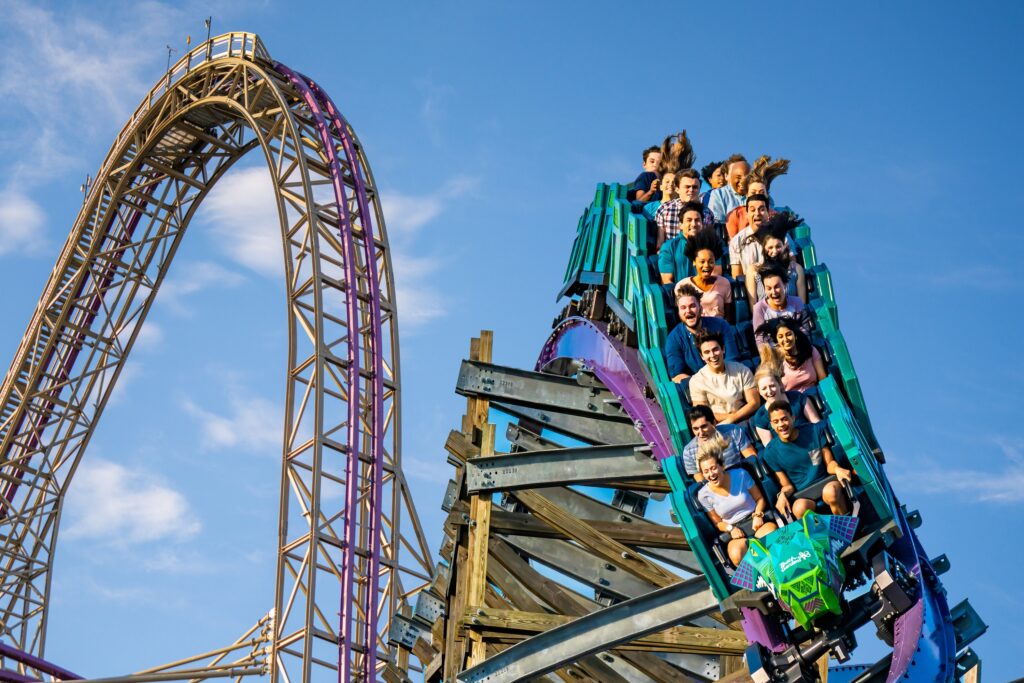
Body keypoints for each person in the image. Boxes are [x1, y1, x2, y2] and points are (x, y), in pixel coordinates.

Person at [762, 401, 851, 519]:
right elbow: (787, 485)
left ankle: (845, 530)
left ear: (793, 418)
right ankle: (823, 536)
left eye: (784, 419)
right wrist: (782, 494)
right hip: (803, 495)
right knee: (799, 508)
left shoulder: (813, 431)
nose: (781, 424)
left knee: (831, 492)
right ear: (772, 425)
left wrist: (837, 469)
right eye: (776, 422)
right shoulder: (770, 453)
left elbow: (829, 463)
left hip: (826, 482)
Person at [695, 442, 777, 566]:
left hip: (756, 520)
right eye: (706, 471)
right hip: (734, 530)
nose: (711, 474)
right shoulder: (703, 495)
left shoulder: (740, 474)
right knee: (736, 555)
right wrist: (731, 528)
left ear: (722, 466)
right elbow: (718, 523)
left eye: (713, 468)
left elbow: (760, 499)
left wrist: (758, 515)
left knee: (771, 538)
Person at [664, 285, 742, 380]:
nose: (688, 311)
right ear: (678, 312)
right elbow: (677, 376)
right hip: (699, 388)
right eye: (683, 308)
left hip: (728, 378)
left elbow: (732, 359)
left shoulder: (721, 325)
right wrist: (705, 385)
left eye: (692, 306)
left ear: (700, 308)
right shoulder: (674, 339)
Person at [688, 330, 758, 424]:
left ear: (723, 349)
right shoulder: (696, 381)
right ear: (702, 356)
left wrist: (733, 418)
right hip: (719, 426)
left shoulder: (741, 370)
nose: (712, 355)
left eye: (715, 349)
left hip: (747, 420)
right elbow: (702, 414)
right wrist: (729, 418)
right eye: (707, 352)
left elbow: (754, 402)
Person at [681, 404, 757, 480]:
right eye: (695, 429)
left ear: (714, 423)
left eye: (704, 426)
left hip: (742, 476)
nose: (700, 432)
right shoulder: (688, 451)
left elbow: (751, 457)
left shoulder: (733, 431)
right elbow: (701, 481)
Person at [751, 364, 820, 446]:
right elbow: (771, 449)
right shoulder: (760, 417)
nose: (769, 391)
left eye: (772, 386)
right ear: (759, 391)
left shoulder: (797, 397)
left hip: (812, 441)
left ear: (779, 384)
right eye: (764, 388)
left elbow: (816, 423)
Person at [725, 156, 790, 237]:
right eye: (753, 192)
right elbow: (732, 243)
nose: (757, 196)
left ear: (767, 195)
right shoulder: (735, 215)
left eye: (762, 193)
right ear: (747, 194)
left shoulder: (775, 217)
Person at [676, 228, 732, 321]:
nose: (706, 265)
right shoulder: (682, 286)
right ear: (694, 262)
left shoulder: (724, 283)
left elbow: (728, 317)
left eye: (711, 262)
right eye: (702, 261)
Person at [747, 221, 807, 305]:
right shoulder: (754, 270)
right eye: (770, 247)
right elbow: (753, 307)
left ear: (784, 246)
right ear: (764, 248)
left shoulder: (796, 269)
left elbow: (802, 304)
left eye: (778, 246)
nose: (774, 251)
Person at [751, 264, 809, 347]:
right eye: (769, 288)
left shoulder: (797, 302)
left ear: (785, 285)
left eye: (776, 287)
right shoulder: (759, 308)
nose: (773, 292)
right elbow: (760, 341)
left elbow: (805, 331)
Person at [654, 169, 717, 246]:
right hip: (671, 255)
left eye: (695, 187)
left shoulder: (707, 213)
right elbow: (660, 243)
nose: (691, 190)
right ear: (677, 189)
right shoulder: (664, 209)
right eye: (687, 187)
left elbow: (709, 243)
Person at [762, 318, 827, 391]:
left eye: (789, 334)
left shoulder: (810, 351)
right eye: (780, 337)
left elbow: (823, 379)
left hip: (815, 395)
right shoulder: (775, 360)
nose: (786, 339)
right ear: (777, 341)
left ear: (795, 336)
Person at [658, 201, 706, 284]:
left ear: (702, 224)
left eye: (697, 220)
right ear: (680, 225)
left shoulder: (711, 244)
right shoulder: (669, 247)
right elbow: (666, 281)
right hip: (682, 293)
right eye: (689, 220)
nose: (694, 224)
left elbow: (715, 275)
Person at [728, 194, 771, 278]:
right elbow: (737, 276)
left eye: (762, 209)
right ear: (747, 214)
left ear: (768, 213)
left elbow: (791, 264)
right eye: (752, 210)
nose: (757, 213)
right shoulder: (737, 241)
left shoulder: (780, 234)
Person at [706, 154, 749, 223]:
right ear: (726, 176)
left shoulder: (757, 191)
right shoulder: (718, 194)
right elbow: (717, 224)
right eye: (734, 172)